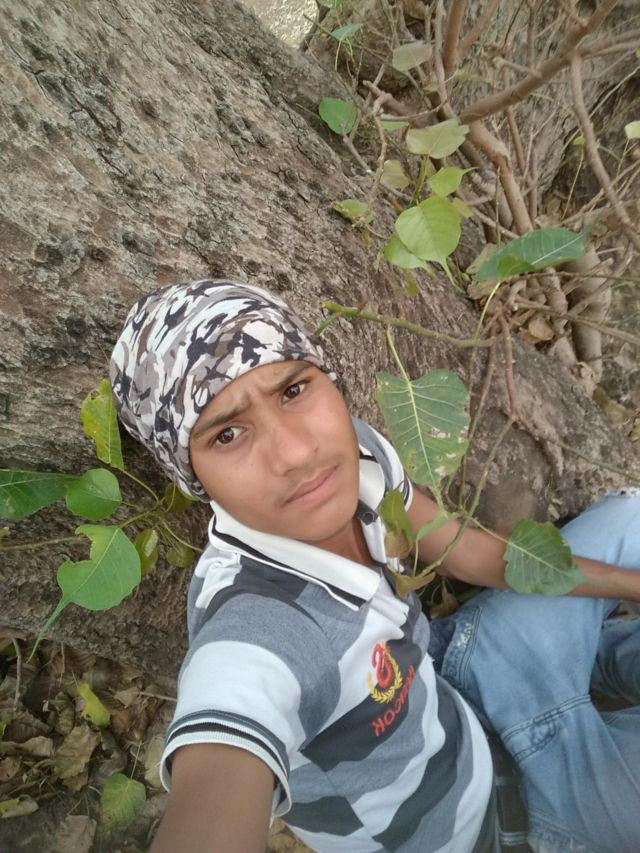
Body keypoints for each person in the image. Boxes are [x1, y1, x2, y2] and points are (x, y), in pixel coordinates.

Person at [110, 279, 640, 853]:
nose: (297, 453)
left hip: (463, 679)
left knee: (630, 515)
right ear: (194, 477)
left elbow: (463, 549)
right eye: (228, 433)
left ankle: (604, 664)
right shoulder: (263, 629)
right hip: (508, 826)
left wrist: (631, 585)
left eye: (293, 390)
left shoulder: (354, 457)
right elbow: (227, 745)